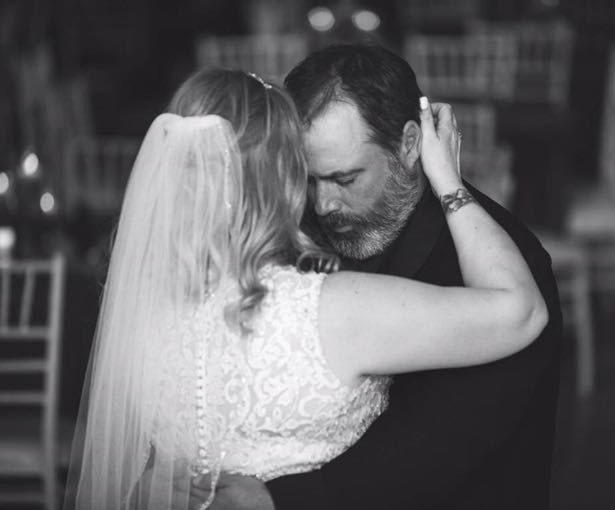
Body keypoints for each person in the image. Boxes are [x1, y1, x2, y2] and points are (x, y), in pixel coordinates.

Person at [64, 66, 548, 510]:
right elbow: (522, 310)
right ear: (282, 178)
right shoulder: (326, 311)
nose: (322, 203)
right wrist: (447, 179)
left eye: (343, 178)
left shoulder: (135, 307)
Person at [210, 45, 563, 510]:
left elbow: (438, 448)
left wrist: (277, 498)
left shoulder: (507, 266)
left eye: (345, 179)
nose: (323, 205)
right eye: (308, 179)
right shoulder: (298, 228)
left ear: (410, 145)